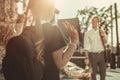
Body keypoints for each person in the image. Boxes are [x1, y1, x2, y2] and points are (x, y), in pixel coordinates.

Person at [3, 0, 79, 80]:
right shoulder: (53, 30)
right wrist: (74, 41)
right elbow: (60, 63)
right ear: (50, 11)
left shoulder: (26, 31)